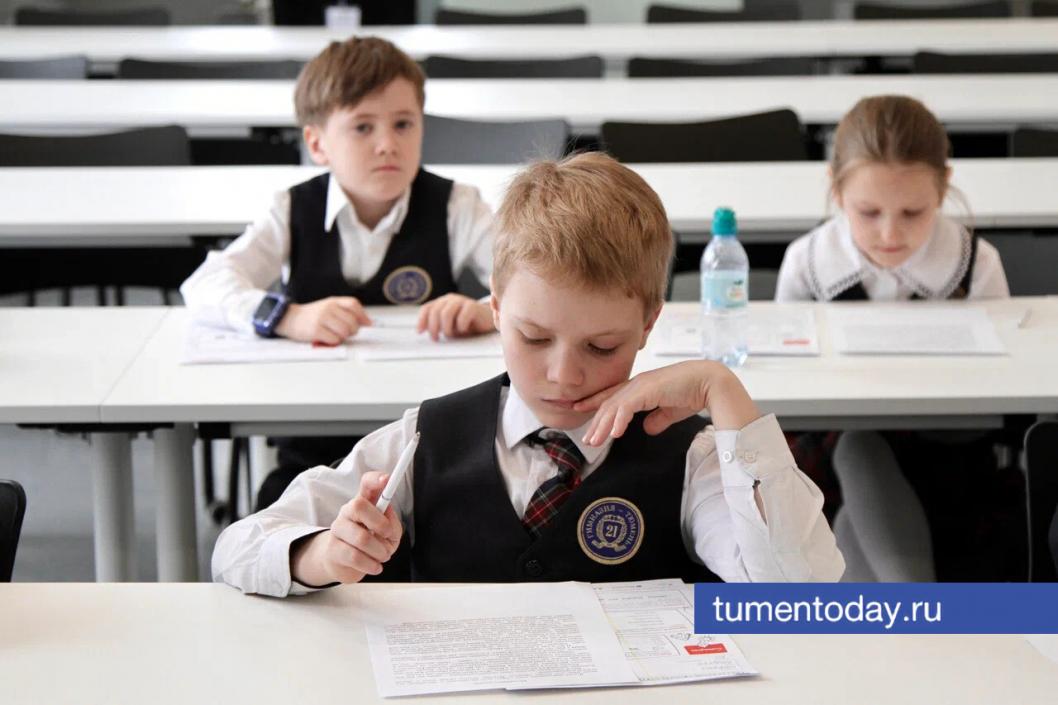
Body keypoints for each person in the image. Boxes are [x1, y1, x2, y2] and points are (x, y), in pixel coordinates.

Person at [212, 152, 844, 595]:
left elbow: (798, 592)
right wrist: (320, 554)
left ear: (649, 324)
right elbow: (236, 548)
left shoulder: (693, 458)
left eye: (602, 346)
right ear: (495, 308)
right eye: (534, 338)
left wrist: (722, 391)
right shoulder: (424, 440)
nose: (564, 375)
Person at [180, 37, 495, 508]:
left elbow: (534, 282)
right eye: (362, 127)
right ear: (317, 144)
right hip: (313, 444)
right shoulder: (292, 209)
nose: (387, 144)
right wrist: (287, 316)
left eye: (403, 124)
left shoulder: (457, 205)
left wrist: (486, 310)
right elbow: (205, 283)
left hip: (426, 441)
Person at [775, 95, 1011, 581]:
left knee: (855, 491)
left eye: (912, 212)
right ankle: (916, 605)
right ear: (836, 191)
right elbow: (789, 381)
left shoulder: (977, 263)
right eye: (868, 212)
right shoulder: (806, 262)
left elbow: (1004, 378)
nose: (889, 234)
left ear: (943, 189)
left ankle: (902, 606)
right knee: (857, 446)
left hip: (947, 452)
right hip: (829, 452)